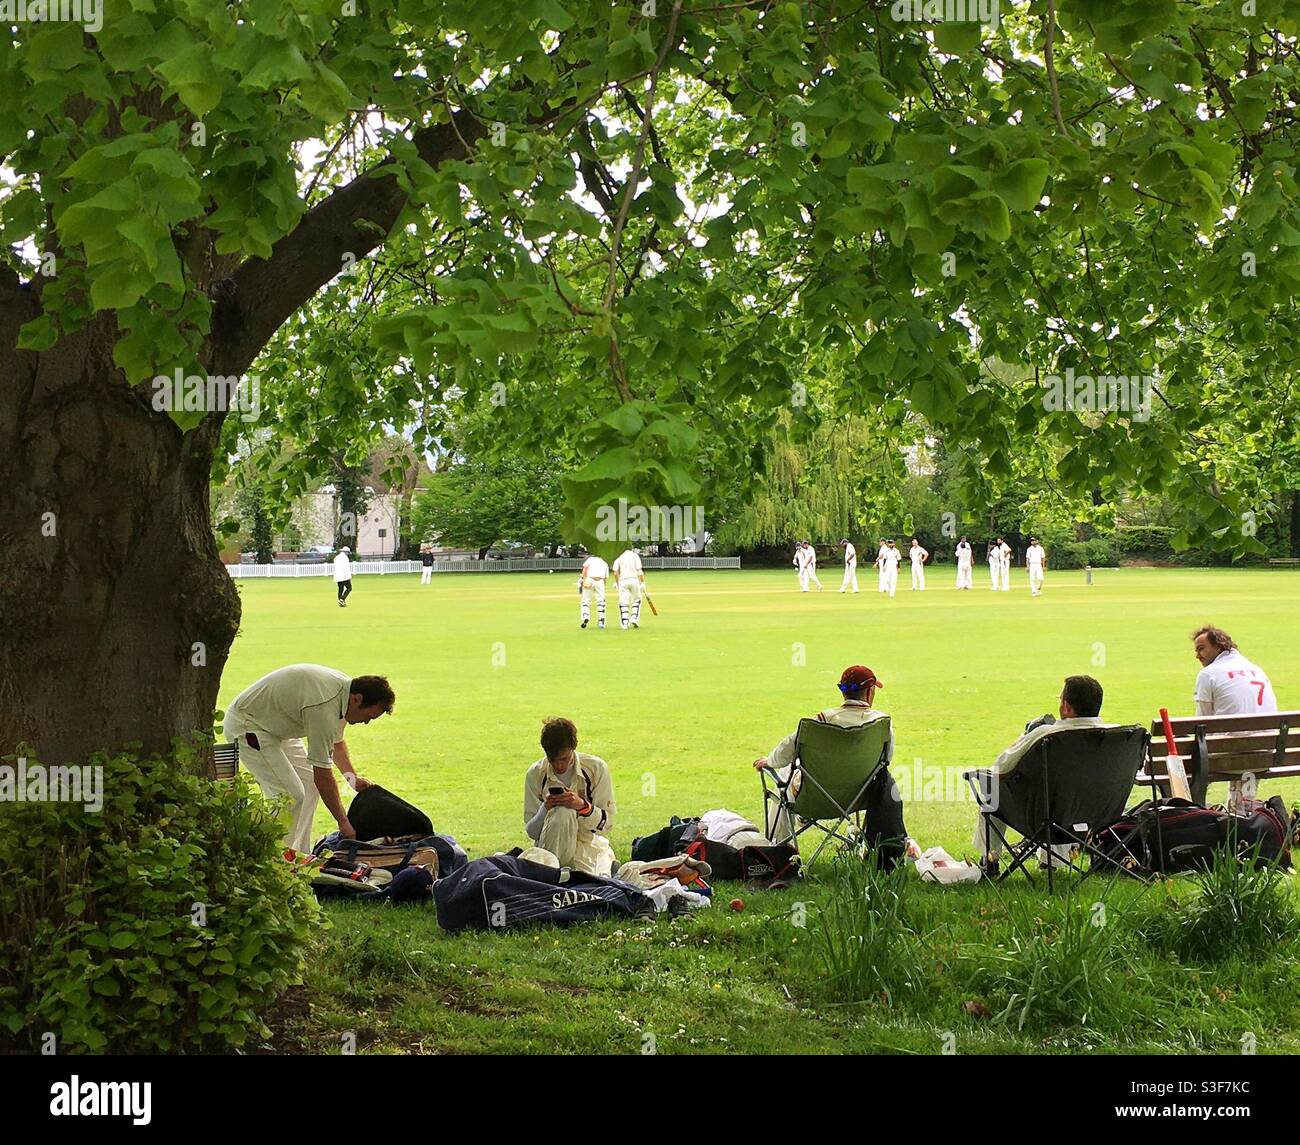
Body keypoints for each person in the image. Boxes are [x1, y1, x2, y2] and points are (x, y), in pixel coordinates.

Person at [223, 666, 395, 853]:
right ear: (357, 699)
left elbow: (336, 741)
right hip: (248, 725)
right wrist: (343, 823)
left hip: (278, 728)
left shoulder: (344, 695)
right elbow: (322, 774)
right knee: (289, 794)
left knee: (308, 786)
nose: (366, 722)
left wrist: (352, 779)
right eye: (368, 716)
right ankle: (271, 856)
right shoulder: (325, 707)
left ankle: (298, 853)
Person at [752, 665, 904, 861]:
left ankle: (781, 853)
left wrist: (769, 761)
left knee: (783, 775)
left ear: (843, 691)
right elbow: (886, 761)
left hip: (814, 798)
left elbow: (785, 750)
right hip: (859, 797)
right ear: (869, 692)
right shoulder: (882, 724)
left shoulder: (820, 721)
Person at [971, 674, 1109, 874]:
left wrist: (1026, 735)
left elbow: (1001, 767)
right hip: (1097, 815)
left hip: (1044, 818)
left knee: (991, 787)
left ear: (1067, 707)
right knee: (1065, 794)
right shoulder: (1115, 738)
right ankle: (1052, 862)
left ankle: (989, 859)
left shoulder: (1046, 734)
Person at [523, 717, 616, 876]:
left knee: (591, 885)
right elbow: (532, 831)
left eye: (564, 758)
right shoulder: (536, 773)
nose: (559, 766)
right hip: (551, 844)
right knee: (561, 813)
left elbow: (607, 824)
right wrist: (545, 809)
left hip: (588, 845)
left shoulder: (595, 768)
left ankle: (555, 879)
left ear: (574, 747)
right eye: (552, 760)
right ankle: (555, 876)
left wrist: (582, 806)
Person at [1191, 625, 1278, 717]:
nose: (1197, 656)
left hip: (1231, 730)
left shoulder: (1207, 674)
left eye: (1201, 649)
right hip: (1270, 731)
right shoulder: (1257, 670)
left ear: (1218, 646)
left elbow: (1202, 721)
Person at [612, 547, 645, 629]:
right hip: (634, 580)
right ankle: (634, 618)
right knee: (636, 600)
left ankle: (625, 623)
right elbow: (639, 571)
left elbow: (615, 572)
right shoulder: (635, 556)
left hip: (623, 581)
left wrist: (617, 583)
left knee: (623, 602)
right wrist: (643, 583)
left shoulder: (620, 557)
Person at [578, 552, 609, 629]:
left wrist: (583, 580)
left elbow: (585, 569)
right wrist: (602, 586)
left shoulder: (590, 559)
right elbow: (605, 578)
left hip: (590, 579)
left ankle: (586, 616)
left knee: (585, 601)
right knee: (601, 601)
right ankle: (601, 621)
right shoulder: (604, 562)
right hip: (600, 581)